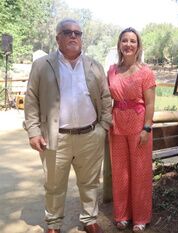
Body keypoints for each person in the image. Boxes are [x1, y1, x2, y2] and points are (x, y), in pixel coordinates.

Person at [24, 18, 112, 233]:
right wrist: (34, 131)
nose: (73, 36)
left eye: (77, 33)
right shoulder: (42, 65)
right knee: (54, 184)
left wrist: (104, 127)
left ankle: (90, 219)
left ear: (81, 38)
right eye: (67, 32)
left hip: (90, 135)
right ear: (58, 38)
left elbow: (106, 97)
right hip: (56, 138)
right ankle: (53, 224)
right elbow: (31, 99)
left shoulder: (94, 65)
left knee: (90, 182)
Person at [107, 27, 156, 232]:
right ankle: (122, 215)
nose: (128, 44)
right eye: (124, 40)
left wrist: (147, 128)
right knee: (120, 173)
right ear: (119, 45)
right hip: (116, 125)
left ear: (138, 46)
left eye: (132, 41)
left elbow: (151, 104)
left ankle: (140, 218)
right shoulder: (111, 70)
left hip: (138, 127)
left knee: (140, 172)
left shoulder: (146, 72)